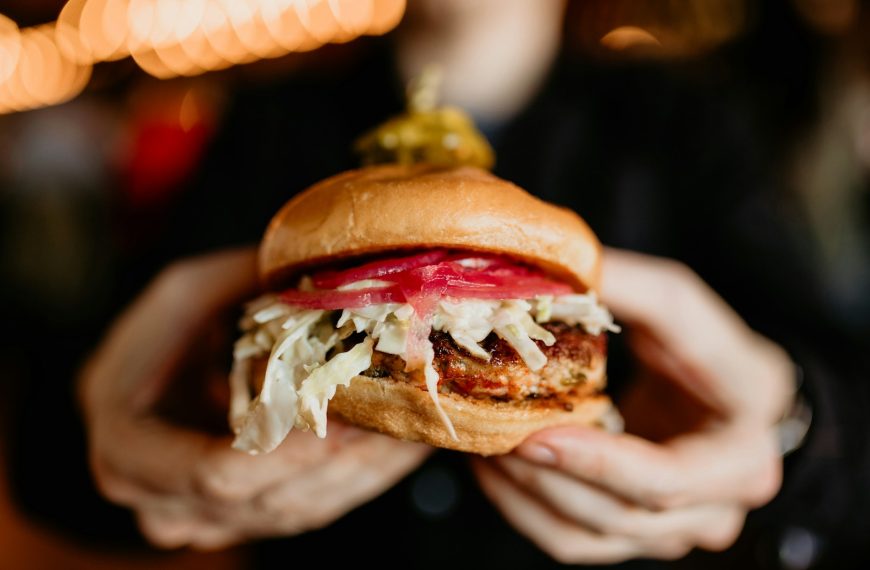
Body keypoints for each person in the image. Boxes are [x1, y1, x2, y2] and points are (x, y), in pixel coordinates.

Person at [24, 0, 870, 567]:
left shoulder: (690, 127)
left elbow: (852, 430)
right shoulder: (267, 120)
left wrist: (787, 434)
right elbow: (53, 463)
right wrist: (111, 442)